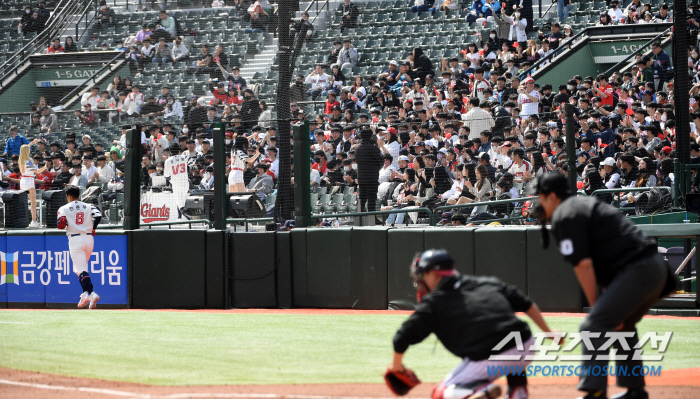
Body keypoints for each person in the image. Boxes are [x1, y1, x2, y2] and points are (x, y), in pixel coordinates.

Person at [535, 172, 675, 399]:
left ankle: (594, 392)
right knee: (623, 326)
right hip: (655, 267)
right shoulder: (583, 204)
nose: (538, 203)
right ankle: (635, 391)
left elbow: (583, 266)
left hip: (637, 269)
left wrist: (596, 308)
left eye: (540, 197)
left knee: (592, 326)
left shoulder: (564, 213)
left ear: (551, 197)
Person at [389, 249, 555, 399]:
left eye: (423, 274)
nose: (420, 280)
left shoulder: (434, 302)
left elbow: (402, 337)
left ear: (434, 274)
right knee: (510, 345)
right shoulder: (486, 282)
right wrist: (549, 332)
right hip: (526, 345)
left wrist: (397, 367)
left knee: (440, 393)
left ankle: (479, 391)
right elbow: (526, 303)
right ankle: (518, 393)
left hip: (492, 355)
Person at [57, 186, 102, 309]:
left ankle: (91, 293)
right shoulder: (88, 206)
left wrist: (65, 224)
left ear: (69, 196)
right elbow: (98, 215)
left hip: (76, 239)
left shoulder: (64, 208)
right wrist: (93, 228)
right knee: (80, 269)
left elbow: (60, 224)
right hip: (89, 239)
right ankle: (85, 294)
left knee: (81, 269)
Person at [354, 129, 383, 212]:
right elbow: (381, 161)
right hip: (372, 177)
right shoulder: (373, 148)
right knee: (371, 198)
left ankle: (360, 217)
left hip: (361, 177)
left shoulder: (357, 148)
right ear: (370, 136)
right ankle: (372, 218)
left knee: (362, 198)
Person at [19, 143, 46, 228]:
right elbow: (37, 172)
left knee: (24, 202)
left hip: (23, 180)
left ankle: (27, 220)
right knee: (33, 203)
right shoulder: (28, 161)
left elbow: (24, 148)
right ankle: (34, 221)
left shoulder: (20, 159)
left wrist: (32, 143)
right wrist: (45, 167)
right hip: (29, 180)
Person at [163, 145, 190, 219]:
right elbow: (192, 161)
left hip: (176, 184)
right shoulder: (184, 157)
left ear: (170, 152)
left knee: (180, 203)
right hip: (185, 183)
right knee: (182, 202)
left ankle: (188, 217)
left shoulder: (168, 160)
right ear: (179, 151)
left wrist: (171, 181)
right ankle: (180, 217)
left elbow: (166, 175)